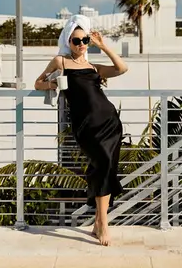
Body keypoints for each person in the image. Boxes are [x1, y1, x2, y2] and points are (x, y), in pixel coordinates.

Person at [34, 15, 128, 246]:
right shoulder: (60, 62)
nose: (82, 44)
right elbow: (37, 82)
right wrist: (53, 84)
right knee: (102, 165)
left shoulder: (93, 66)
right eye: (77, 41)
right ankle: (101, 222)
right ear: (68, 41)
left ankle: (101, 222)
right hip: (85, 125)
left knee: (105, 167)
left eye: (85, 40)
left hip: (109, 122)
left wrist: (103, 46)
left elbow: (122, 68)